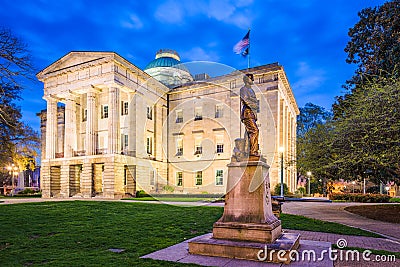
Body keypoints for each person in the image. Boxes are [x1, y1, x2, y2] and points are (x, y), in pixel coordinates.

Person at [240, 73, 259, 156]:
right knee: (255, 131)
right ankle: (253, 151)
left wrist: (254, 102)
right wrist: (254, 104)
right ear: (247, 79)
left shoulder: (252, 90)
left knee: (248, 133)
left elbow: (255, 100)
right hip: (247, 113)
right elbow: (246, 100)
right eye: (251, 78)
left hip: (252, 114)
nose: (253, 80)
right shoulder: (243, 89)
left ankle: (246, 150)